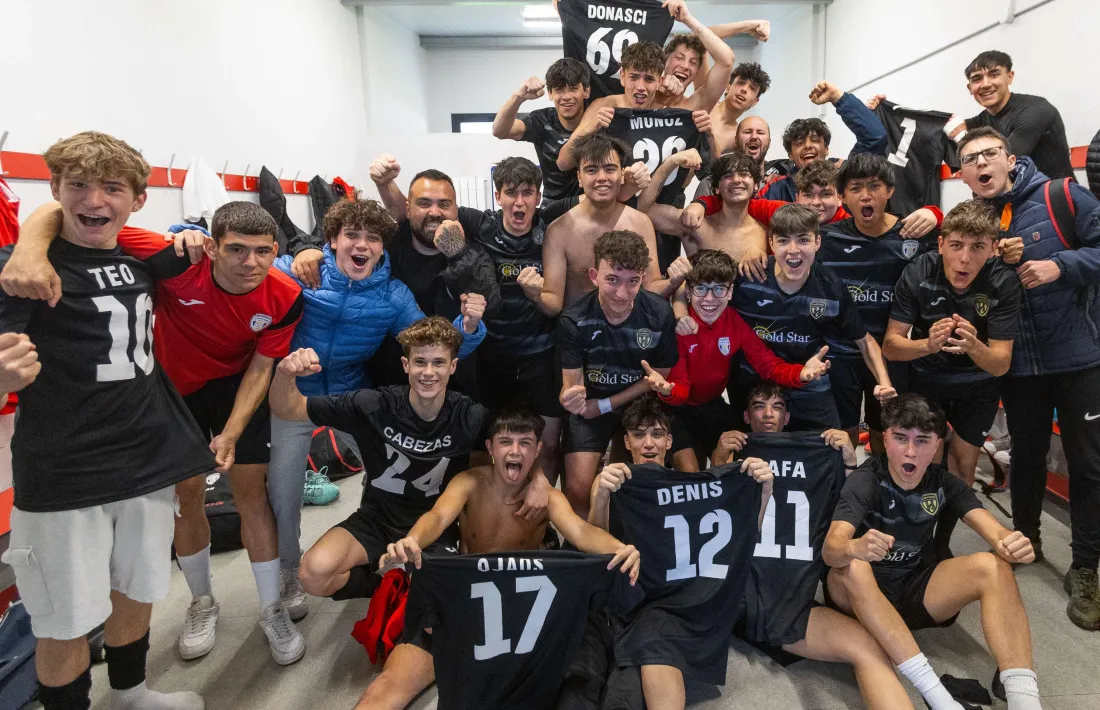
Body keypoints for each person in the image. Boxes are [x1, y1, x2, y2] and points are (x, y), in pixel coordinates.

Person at [3, 199, 314, 661]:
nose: (251, 263)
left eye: (263, 251)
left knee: (252, 493)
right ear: (210, 246)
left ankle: (271, 608)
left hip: (235, 385)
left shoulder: (284, 295)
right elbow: (66, 213)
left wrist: (230, 433)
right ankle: (202, 601)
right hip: (173, 386)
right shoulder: (175, 259)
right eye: (236, 250)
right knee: (186, 495)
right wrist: (27, 248)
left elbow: (260, 367)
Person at [0, 132, 210, 710]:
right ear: (56, 190)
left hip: (145, 457)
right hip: (65, 470)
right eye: (79, 186)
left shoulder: (139, 258)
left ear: (137, 200)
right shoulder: (23, 269)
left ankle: (131, 694)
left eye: (111, 187)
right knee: (62, 617)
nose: (95, 199)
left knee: (136, 588)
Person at [265, 199, 495, 617]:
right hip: (297, 395)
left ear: (382, 248)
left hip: (352, 395)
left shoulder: (392, 294)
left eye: (372, 238)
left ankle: (387, 551)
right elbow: (245, 263)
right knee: (283, 493)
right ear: (331, 240)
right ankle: (286, 569)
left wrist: (469, 327)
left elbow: (432, 343)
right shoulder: (302, 273)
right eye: (352, 235)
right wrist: (183, 236)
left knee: (389, 470)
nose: (362, 245)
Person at [359, 407, 640, 710]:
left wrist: (619, 547)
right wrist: (411, 540)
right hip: (463, 607)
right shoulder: (468, 482)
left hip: (517, 614)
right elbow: (438, 516)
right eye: (506, 442)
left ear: (538, 450)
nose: (515, 450)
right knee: (385, 690)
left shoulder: (548, 498)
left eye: (525, 443)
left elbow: (582, 532)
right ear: (491, 448)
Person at [958, 126, 1100, 629]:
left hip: (1078, 356)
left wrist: (1059, 265)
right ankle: (1026, 539)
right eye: (969, 159)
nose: (980, 164)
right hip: (1017, 364)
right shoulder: (976, 220)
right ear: (962, 174)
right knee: (1027, 455)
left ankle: (1086, 567)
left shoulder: (1061, 195)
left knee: (1088, 465)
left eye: (988, 154)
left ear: (1009, 158)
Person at [823, 394, 1041, 710]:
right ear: (885, 438)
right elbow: (831, 551)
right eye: (900, 438)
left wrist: (1013, 545)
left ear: (937, 444)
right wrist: (855, 546)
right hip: (855, 599)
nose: (910, 451)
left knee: (994, 567)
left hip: (912, 593)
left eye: (922, 441)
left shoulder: (943, 482)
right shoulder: (866, 480)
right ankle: (939, 699)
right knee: (854, 565)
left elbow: (994, 532)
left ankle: (1026, 702)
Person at [707, 383, 915, 710]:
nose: (768, 414)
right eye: (759, 406)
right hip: (739, 596)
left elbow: (850, 512)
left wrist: (847, 459)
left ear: (787, 417)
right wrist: (718, 460)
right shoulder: (733, 453)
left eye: (776, 406)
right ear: (746, 416)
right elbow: (705, 522)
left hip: (791, 598)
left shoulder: (819, 455)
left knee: (869, 647)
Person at [586, 396, 774, 710]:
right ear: (627, 441)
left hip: (690, 600)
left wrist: (763, 492)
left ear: (669, 441)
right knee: (621, 686)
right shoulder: (618, 483)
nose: (649, 443)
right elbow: (594, 547)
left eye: (657, 434)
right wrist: (602, 495)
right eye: (639, 435)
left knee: (646, 651)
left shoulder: (693, 484)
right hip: (641, 601)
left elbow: (742, 540)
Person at [291, 161, 501, 398]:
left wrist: (457, 252)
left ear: (456, 211)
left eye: (444, 204)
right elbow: (344, 244)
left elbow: (489, 305)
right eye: (424, 203)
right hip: (387, 384)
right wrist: (304, 247)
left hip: (457, 379)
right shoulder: (388, 244)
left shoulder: (473, 252)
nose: (434, 212)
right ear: (408, 209)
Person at [883, 199, 1022, 556]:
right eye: (956, 245)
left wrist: (975, 346)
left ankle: (938, 547)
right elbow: (892, 346)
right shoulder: (918, 271)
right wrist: (928, 344)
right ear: (941, 243)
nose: (964, 259)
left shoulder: (1003, 281)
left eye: (977, 247)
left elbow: (1001, 364)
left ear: (993, 249)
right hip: (927, 382)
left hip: (978, 385)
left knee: (961, 468)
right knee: (922, 464)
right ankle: (914, 541)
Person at [640, 250, 829, 470]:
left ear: (730, 292)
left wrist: (801, 374)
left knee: (740, 460)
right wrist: (667, 390)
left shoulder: (735, 323)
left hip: (712, 405)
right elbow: (680, 387)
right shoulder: (679, 326)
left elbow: (768, 366)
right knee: (691, 472)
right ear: (688, 292)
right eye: (701, 289)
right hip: (673, 409)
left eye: (719, 289)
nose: (710, 299)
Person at [730, 204, 895, 430]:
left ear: (818, 242)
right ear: (770, 244)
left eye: (803, 240)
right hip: (755, 381)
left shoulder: (830, 287)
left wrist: (884, 384)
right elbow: (704, 288)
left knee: (835, 445)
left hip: (809, 378)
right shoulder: (748, 277)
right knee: (742, 450)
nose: (793, 250)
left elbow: (865, 341)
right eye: (783, 241)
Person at [818, 154, 939, 453]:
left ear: (890, 191)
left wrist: (938, 214)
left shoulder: (913, 234)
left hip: (891, 354)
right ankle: (845, 494)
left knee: (884, 433)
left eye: (874, 186)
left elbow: (960, 236)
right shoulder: (826, 237)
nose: (866, 195)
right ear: (843, 195)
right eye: (856, 188)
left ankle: (882, 493)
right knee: (842, 435)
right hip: (840, 354)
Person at [557, 230, 678, 516]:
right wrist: (570, 398)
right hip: (592, 406)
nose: (622, 293)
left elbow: (658, 375)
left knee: (635, 481)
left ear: (642, 279)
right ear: (594, 276)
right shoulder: (574, 319)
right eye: (612, 280)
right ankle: (591, 551)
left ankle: (634, 539)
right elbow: (571, 387)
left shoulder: (659, 313)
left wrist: (605, 404)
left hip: (639, 404)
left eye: (632, 282)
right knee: (577, 488)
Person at [556, 0, 735, 171]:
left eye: (649, 79)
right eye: (634, 77)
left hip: (666, 201)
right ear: (623, 76)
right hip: (616, 199)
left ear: (659, 79)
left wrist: (688, 19)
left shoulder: (682, 109)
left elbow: (726, 61)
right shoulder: (606, 106)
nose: (640, 86)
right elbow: (563, 162)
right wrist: (592, 127)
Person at [541, 133, 681, 312]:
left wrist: (674, 281)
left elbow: (651, 287)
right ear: (579, 178)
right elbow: (553, 304)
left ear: (622, 175)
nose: (601, 177)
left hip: (630, 330)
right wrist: (536, 295)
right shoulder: (558, 231)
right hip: (580, 331)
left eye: (610, 169)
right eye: (591, 170)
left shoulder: (640, 223)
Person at [948, 50, 1073, 181]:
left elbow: (1001, 164)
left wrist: (960, 138)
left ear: (1009, 77)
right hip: (1017, 198)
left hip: (1056, 197)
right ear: (970, 88)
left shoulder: (1036, 110)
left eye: (994, 74)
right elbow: (943, 128)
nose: (985, 84)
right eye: (977, 79)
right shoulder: (983, 119)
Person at [639, 150, 768, 276]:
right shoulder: (696, 225)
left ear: (756, 185)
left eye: (744, 174)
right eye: (728, 176)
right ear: (717, 188)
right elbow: (645, 209)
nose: (736, 180)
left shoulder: (767, 230)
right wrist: (671, 162)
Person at [760, 81, 888, 201]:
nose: (808, 146)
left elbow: (875, 138)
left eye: (815, 140)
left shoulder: (845, 176)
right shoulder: (776, 190)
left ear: (826, 149)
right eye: (799, 143)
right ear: (790, 155)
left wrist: (837, 97)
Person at [491, 58, 590, 201]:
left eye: (574, 89)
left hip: (590, 207)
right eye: (559, 90)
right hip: (553, 209)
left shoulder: (595, 118)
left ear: (586, 91)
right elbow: (499, 131)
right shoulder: (542, 120)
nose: (567, 97)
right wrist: (518, 97)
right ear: (550, 93)